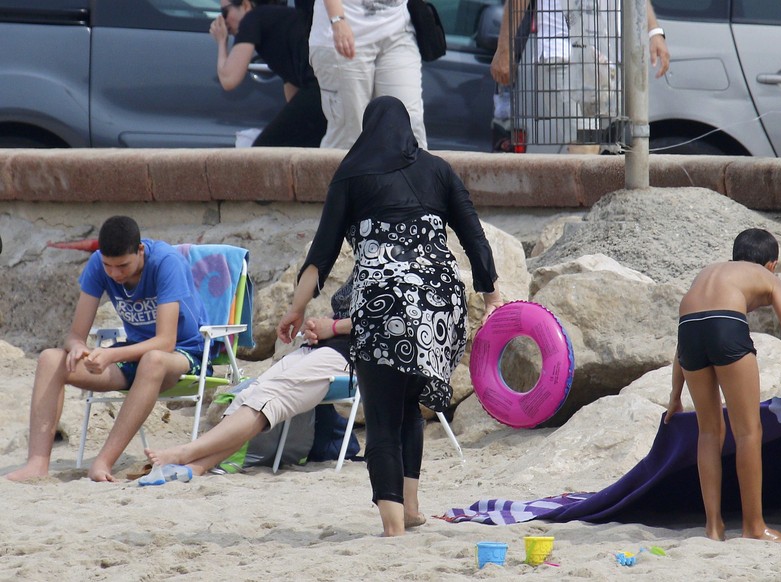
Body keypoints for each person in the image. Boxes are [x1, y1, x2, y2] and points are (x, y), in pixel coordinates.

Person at [279, 96, 502, 536]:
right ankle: (412, 505)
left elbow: (320, 256)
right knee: (407, 408)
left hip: (384, 304)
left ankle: (394, 527)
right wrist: (491, 292)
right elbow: (472, 232)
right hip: (436, 306)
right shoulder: (438, 169)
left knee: (381, 414)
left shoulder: (351, 172)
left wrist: (297, 306)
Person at [6, 216, 209, 483]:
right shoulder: (97, 265)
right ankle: (36, 464)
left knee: (153, 359)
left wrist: (111, 354)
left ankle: (103, 462)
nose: (115, 273)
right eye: (108, 266)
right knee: (49, 359)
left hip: (183, 355)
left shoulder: (165, 262)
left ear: (139, 251)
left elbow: (166, 342)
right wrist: (79, 348)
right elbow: (75, 335)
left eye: (122, 265)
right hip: (133, 354)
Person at [663, 228, 781, 542]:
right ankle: (754, 526)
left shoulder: (709, 274)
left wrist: (675, 396)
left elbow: (684, 341)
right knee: (748, 430)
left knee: (709, 431)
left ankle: (713, 526)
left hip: (688, 330)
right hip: (725, 326)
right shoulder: (766, 276)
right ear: (771, 264)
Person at [144, 279, 354, 477]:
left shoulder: (385, 265)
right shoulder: (366, 263)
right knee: (248, 393)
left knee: (266, 398)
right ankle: (198, 466)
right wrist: (319, 326)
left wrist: (334, 327)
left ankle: (185, 453)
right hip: (322, 346)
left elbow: (383, 319)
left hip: (354, 356)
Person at [490, 0, 669, 151]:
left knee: (596, 147)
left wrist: (654, 31)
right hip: (560, 56)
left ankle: (579, 192)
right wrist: (505, 51)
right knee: (585, 144)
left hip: (602, 60)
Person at [308, 0, 427, 149]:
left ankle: (416, 172)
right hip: (345, 32)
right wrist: (337, 20)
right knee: (350, 136)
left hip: (398, 31)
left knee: (409, 127)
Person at [212, 0, 327, 147]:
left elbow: (229, 80)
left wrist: (222, 42)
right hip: (328, 90)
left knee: (263, 153)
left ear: (246, 5)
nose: (223, 21)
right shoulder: (278, 22)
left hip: (319, 90)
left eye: (224, 13)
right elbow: (293, 92)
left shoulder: (252, 18)